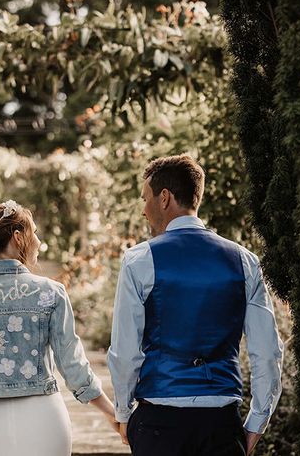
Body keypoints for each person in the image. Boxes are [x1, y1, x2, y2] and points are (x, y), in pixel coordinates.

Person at [108, 154, 284, 456]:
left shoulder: (139, 259)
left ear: (164, 198)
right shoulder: (244, 260)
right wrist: (257, 421)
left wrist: (123, 413)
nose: (143, 210)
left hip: (160, 424)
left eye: (145, 199)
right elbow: (267, 352)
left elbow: (125, 351)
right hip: (221, 423)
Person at [0, 200, 119, 456]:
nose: (38, 241)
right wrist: (113, 415)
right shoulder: (51, 292)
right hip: (45, 419)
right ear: (18, 237)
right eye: (34, 232)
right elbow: (73, 365)